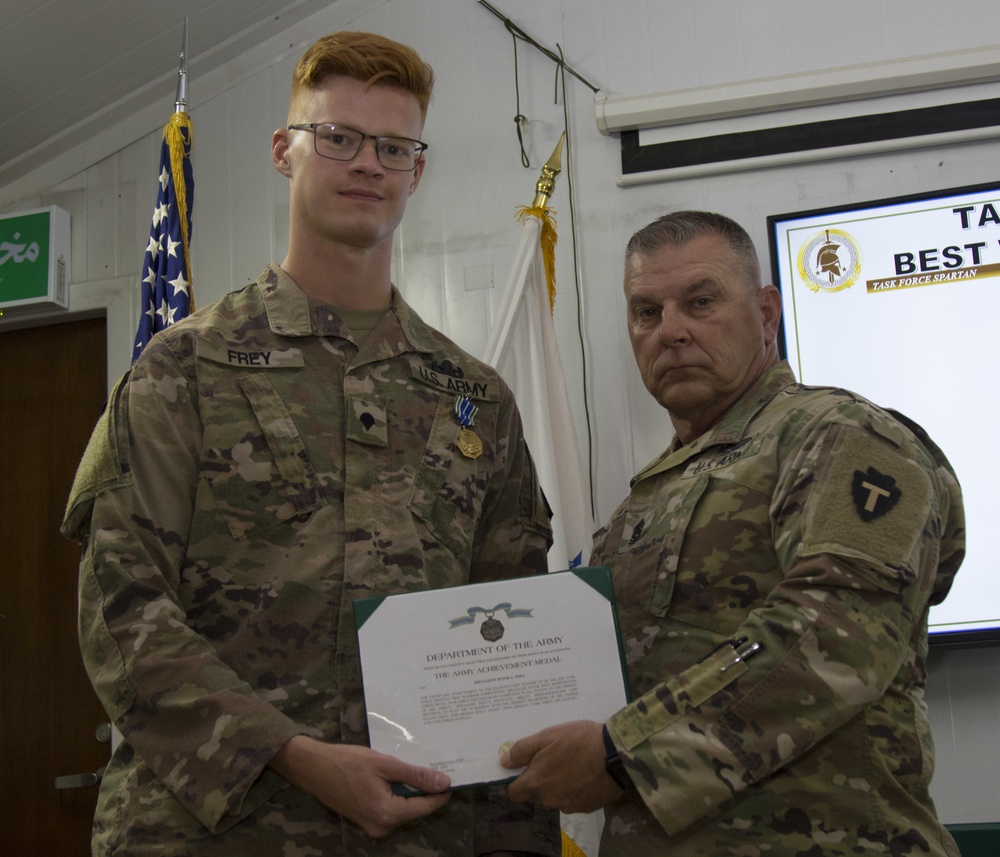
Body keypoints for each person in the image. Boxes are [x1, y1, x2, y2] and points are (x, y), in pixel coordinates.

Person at [61, 31, 558, 857]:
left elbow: (505, 637)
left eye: (392, 146)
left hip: (426, 830)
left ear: (416, 171)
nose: (367, 163)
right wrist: (289, 755)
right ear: (284, 152)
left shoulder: (475, 399)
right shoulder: (182, 371)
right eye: (338, 137)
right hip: (214, 832)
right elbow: (121, 614)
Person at [500, 210, 965, 856]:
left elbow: (835, 632)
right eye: (646, 313)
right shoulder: (642, 503)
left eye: (700, 301)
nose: (672, 331)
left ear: (767, 312)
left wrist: (620, 755)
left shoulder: (837, 434)